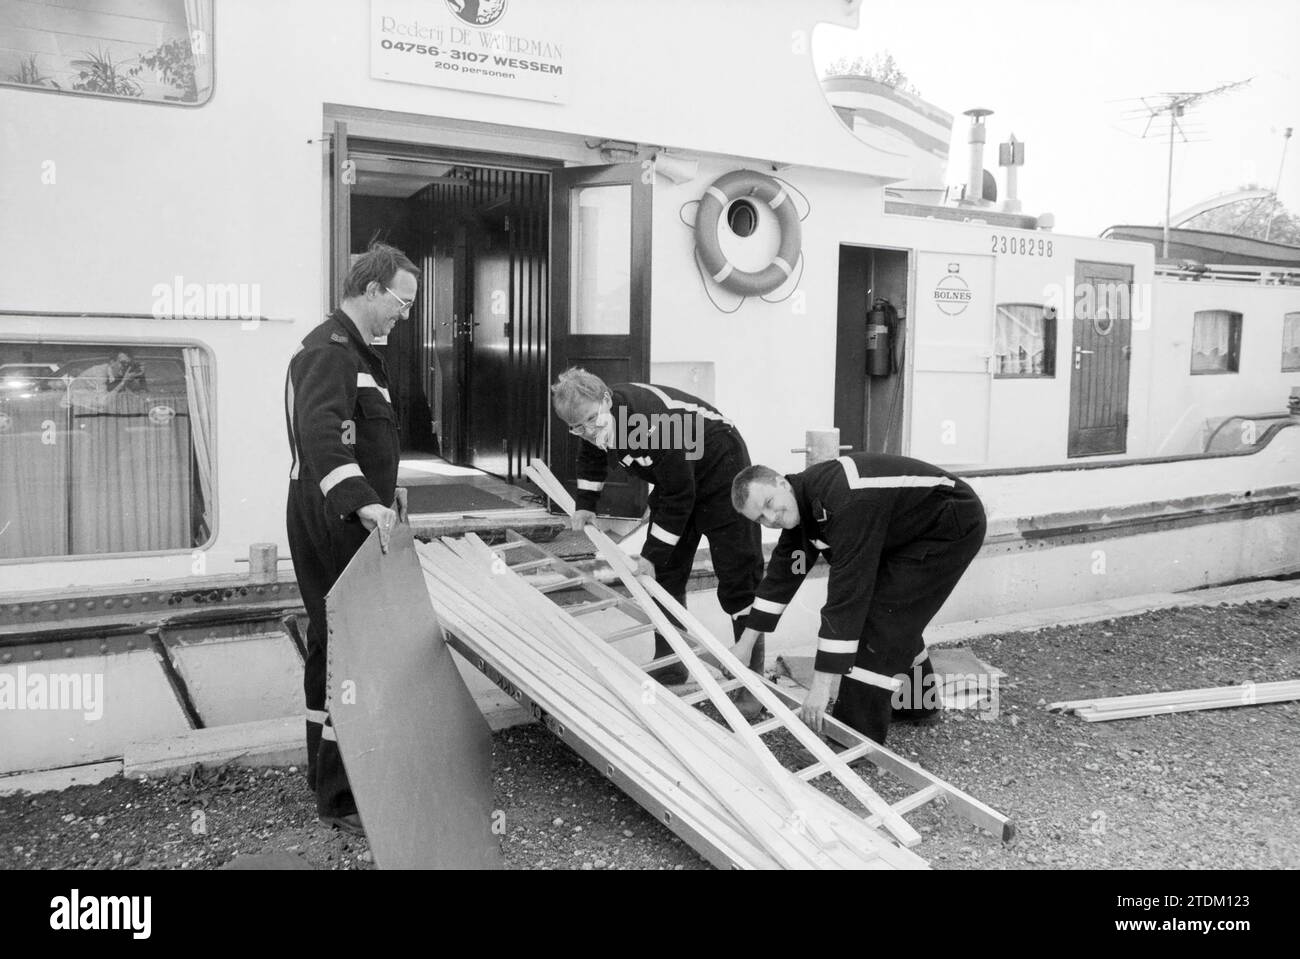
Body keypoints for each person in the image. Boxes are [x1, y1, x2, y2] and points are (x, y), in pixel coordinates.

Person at [284, 243, 418, 836]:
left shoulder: (358, 353)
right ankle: (343, 795)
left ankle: (327, 778)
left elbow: (359, 436)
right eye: (401, 302)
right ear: (371, 290)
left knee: (332, 643)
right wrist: (362, 501)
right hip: (335, 519)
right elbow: (319, 435)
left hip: (345, 512)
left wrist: (389, 488)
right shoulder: (331, 351)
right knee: (351, 650)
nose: (404, 315)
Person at [731, 453, 986, 744]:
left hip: (949, 526)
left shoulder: (847, 502)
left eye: (768, 505)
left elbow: (847, 598)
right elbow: (784, 575)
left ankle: (852, 737)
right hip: (905, 533)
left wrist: (821, 686)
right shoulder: (802, 509)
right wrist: (745, 645)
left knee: (880, 619)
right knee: (893, 615)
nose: (771, 519)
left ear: (780, 482)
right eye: (760, 518)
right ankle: (918, 705)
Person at [552, 369, 764, 687]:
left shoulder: (653, 423)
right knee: (664, 575)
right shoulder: (598, 423)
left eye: (591, 422)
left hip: (721, 467)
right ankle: (671, 664)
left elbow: (680, 495)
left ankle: (753, 681)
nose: (588, 432)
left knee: (739, 576)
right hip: (678, 476)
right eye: (576, 428)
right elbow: (592, 456)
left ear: (606, 399)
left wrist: (650, 554)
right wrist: (585, 505)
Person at [64, 350, 143, 411]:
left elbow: (137, 394)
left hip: (90, 410)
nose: (125, 366)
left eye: (128, 364)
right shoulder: (99, 373)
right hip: (73, 411)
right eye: (123, 363)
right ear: (112, 363)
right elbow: (103, 403)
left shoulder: (118, 375)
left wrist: (140, 377)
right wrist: (123, 382)